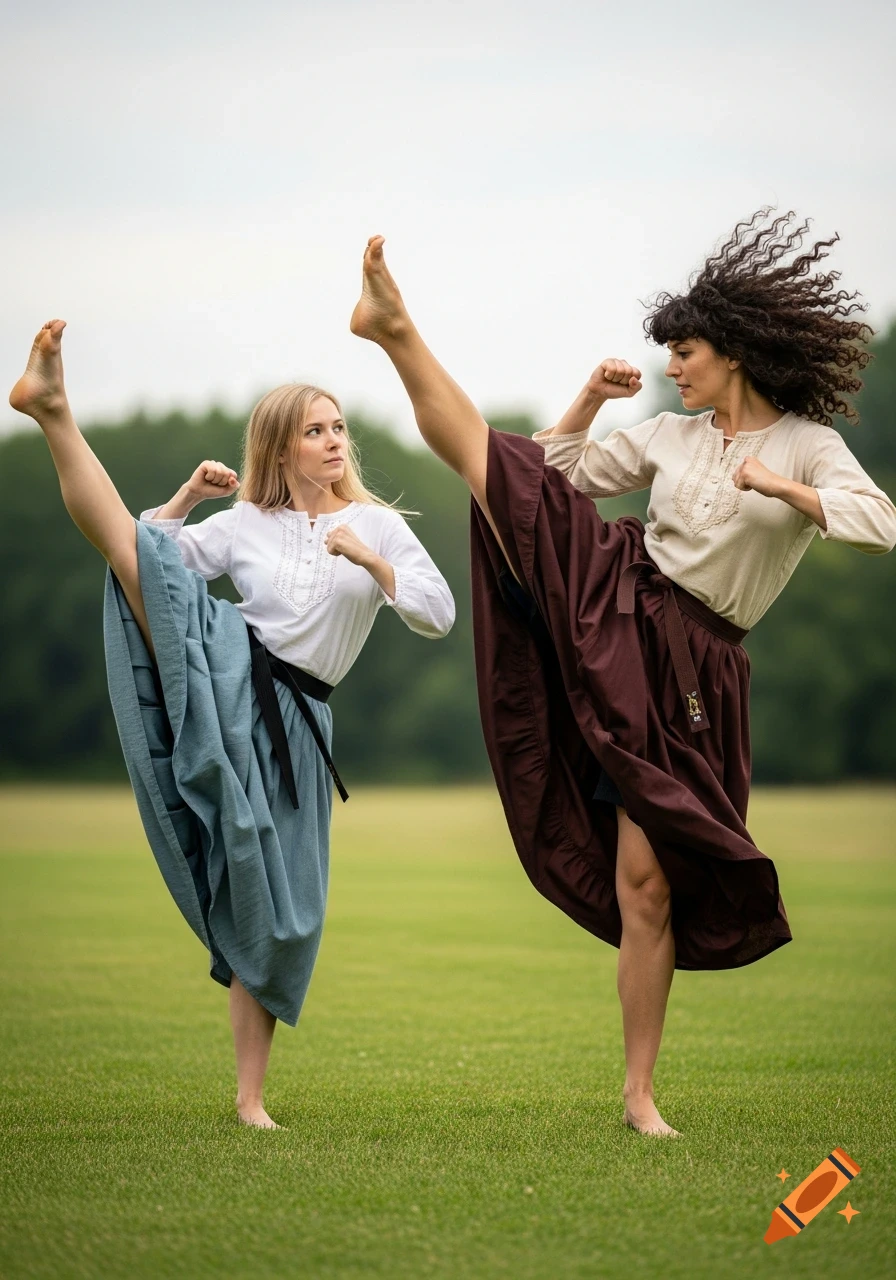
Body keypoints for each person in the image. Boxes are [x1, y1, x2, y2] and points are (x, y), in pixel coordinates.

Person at [348, 211, 896, 1136]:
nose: (674, 368)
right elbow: (548, 472)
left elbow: (878, 522)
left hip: (699, 667)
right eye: (671, 353)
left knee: (649, 883)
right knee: (502, 475)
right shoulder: (671, 436)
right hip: (624, 600)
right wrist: (590, 401)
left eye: (685, 351)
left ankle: (639, 1092)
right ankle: (395, 331)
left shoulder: (806, 442)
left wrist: (781, 488)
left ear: (738, 350)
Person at [9, 327, 455, 1128]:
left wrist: (371, 562)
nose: (332, 441)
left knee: (281, 908)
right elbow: (158, 552)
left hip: (299, 723)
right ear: (281, 451)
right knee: (129, 549)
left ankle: (254, 1092)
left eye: (338, 426)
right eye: (314, 430)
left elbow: (438, 613)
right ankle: (53, 413)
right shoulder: (249, 520)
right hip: (228, 669)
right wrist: (184, 501)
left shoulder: (378, 524)